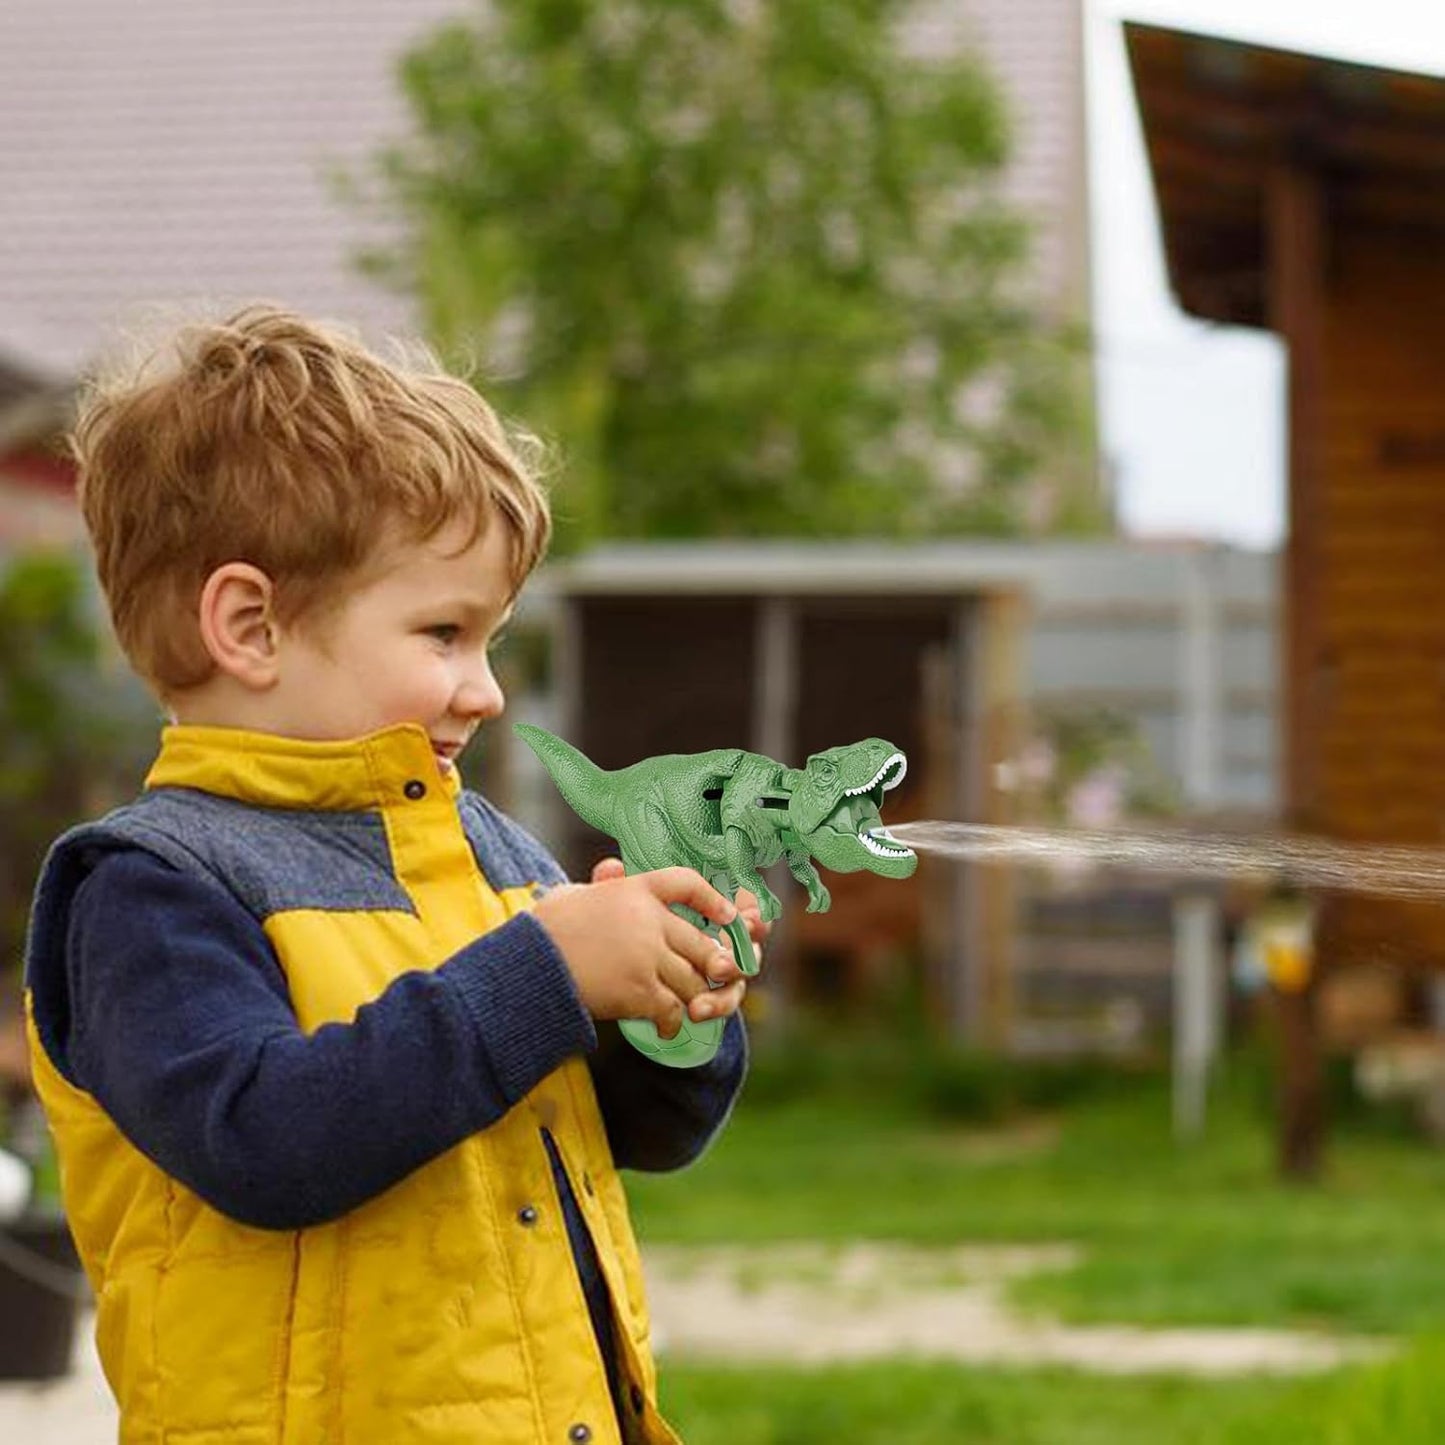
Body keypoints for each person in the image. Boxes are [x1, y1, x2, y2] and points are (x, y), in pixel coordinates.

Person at [23, 306, 759, 1445]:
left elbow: (627, 1134)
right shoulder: (152, 891)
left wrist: (671, 1010)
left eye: (491, 640)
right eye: (444, 633)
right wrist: (549, 967)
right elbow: (268, 1139)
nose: (486, 688)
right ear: (250, 625)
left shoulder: (495, 859)